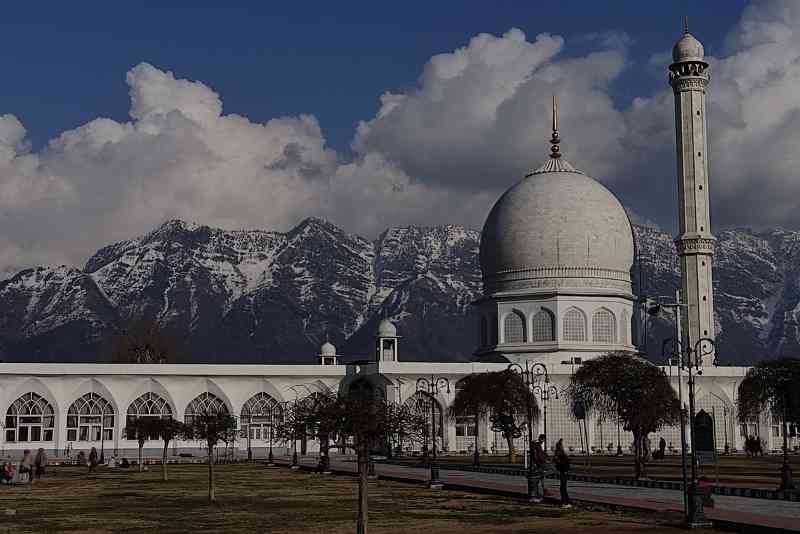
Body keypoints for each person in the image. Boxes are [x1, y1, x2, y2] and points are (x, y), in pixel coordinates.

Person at [554, 438, 572, 508]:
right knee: (562, 488)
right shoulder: (562, 455)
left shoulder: (562, 456)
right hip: (563, 472)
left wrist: (557, 462)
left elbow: (563, 464)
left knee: (563, 488)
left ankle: (566, 502)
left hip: (564, 473)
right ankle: (565, 502)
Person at [532, 434, 547, 502]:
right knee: (539, 478)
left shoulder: (538, 445)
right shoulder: (537, 445)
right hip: (539, 464)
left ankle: (543, 490)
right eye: (543, 439)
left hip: (541, 463)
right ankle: (539, 493)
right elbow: (537, 455)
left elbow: (540, 454)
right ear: (541, 439)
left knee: (541, 477)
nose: (543, 441)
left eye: (544, 440)